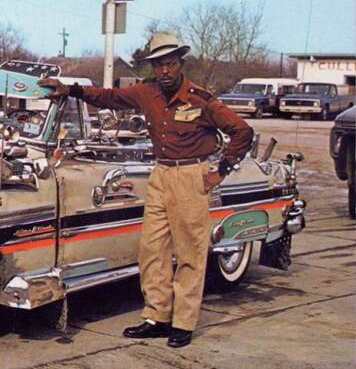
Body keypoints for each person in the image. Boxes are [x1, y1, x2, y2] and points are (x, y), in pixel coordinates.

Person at [38, 32, 253, 348]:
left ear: (180, 63)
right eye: (159, 64)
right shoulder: (146, 92)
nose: (165, 70)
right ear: (153, 66)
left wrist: (220, 171)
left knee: (190, 253)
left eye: (170, 63)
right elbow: (108, 97)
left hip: (190, 175)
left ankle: (183, 323)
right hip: (160, 174)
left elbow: (242, 131)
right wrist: (70, 90)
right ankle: (157, 317)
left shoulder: (200, 98)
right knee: (152, 249)